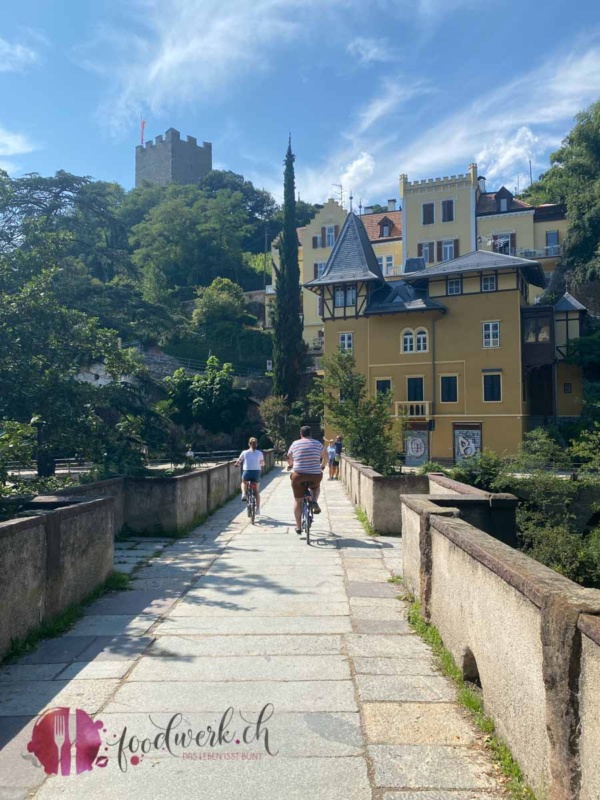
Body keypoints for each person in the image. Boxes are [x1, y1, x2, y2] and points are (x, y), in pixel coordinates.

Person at [287, 426, 327, 535]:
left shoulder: (295, 443)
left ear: (301, 434)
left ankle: (298, 527)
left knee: (298, 501)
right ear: (311, 434)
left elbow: (289, 456)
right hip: (314, 475)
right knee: (316, 486)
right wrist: (322, 467)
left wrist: (291, 465)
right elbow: (326, 457)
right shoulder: (317, 444)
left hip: (298, 475)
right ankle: (314, 501)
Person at [236, 438, 265, 515]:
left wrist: (237, 465)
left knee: (243, 482)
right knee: (256, 491)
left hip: (247, 472)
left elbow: (239, 461)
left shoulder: (244, 452)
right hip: (256, 473)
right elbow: (262, 463)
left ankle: (243, 494)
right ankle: (258, 509)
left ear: (249, 444)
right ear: (257, 444)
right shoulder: (260, 453)